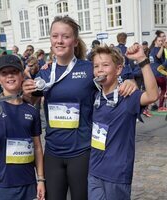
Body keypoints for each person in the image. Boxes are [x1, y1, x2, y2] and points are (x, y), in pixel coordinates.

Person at [23, 16, 137, 200]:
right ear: (50, 39)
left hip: (81, 152)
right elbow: (29, 102)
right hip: (53, 153)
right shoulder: (44, 73)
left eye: (65, 37)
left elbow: (113, 79)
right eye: (55, 36)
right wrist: (25, 91)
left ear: (75, 41)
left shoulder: (88, 69)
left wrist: (130, 82)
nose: (59, 41)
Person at [88, 44, 159, 200]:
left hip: (117, 174)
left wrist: (142, 60)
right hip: (94, 171)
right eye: (96, 66)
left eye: (105, 65)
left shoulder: (128, 96)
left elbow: (153, 95)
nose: (100, 69)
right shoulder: (95, 97)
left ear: (118, 69)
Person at [0, 55, 45, 200]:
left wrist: (40, 179)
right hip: (2, 183)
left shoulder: (31, 110)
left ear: (22, 76)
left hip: (28, 182)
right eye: (4, 73)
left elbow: (38, 147)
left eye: (14, 71)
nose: (9, 76)